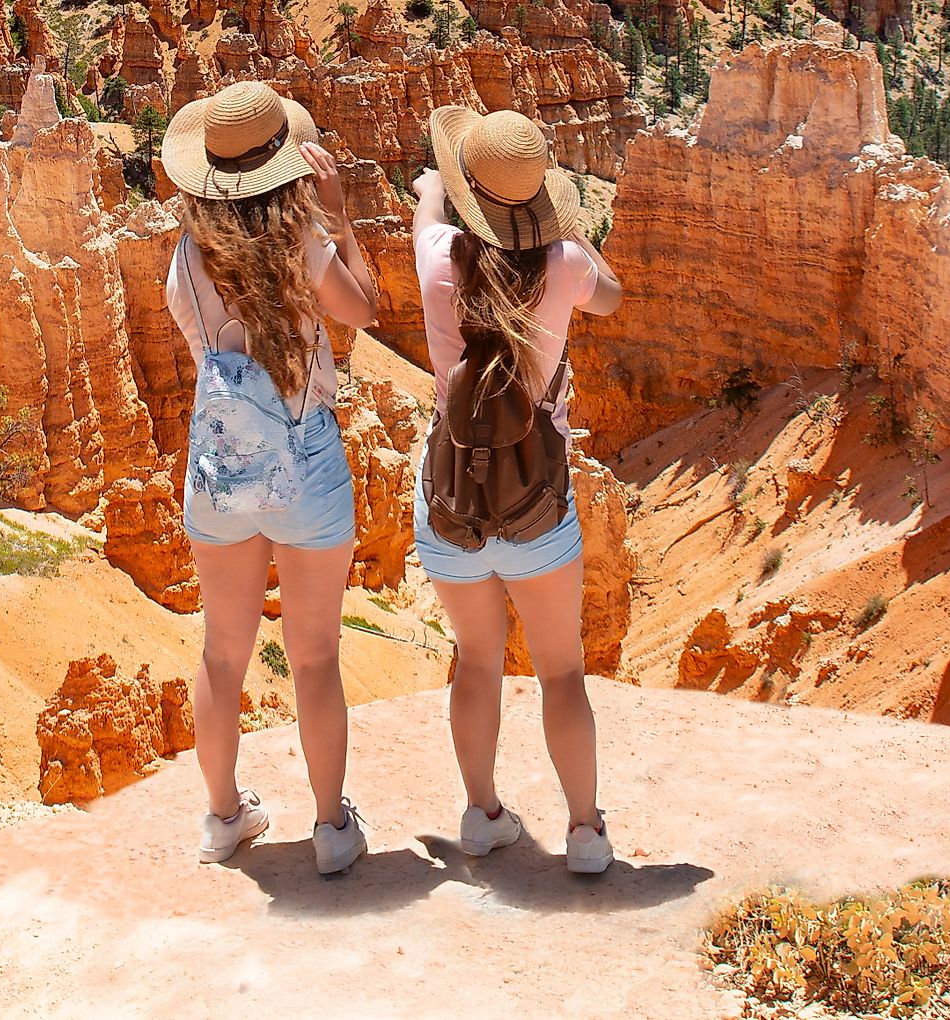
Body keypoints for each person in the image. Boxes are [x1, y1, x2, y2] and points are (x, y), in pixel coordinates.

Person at [161, 79, 382, 872]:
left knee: (224, 654)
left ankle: (223, 818)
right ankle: (331, 831)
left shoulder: (187, 257)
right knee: (315, 655)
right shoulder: (304, 244)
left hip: (220, 466)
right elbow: (362, 310)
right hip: (307, 460)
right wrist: (341, 218)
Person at [411, 105, 624, 874]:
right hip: (539, 499)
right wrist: (569, 229)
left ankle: (481, 815)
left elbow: (428, 205)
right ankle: (586, 834)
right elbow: (613, 295)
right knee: (560, 670)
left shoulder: (436, 254)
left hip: (452, 499)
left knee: (476, 661)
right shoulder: (565, 265)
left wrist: (440, 184)